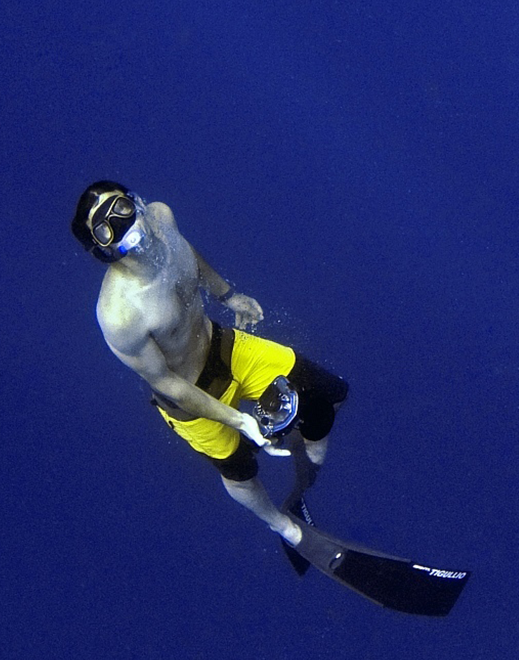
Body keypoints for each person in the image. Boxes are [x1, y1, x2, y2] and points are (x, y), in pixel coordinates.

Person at [73, 181, 349, 553]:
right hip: (190, 399)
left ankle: (307, 474)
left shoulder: (162, 217)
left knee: (330, 394)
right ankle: (284, 528)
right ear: (102, 251)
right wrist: (240, 421)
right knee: (241, 471)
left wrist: (228, 295)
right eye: (106, 229)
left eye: (119, 208)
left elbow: (187, 256)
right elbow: (168, 384)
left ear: (135, 200)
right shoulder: (120, 316)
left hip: (223, 346)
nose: (122, 225)